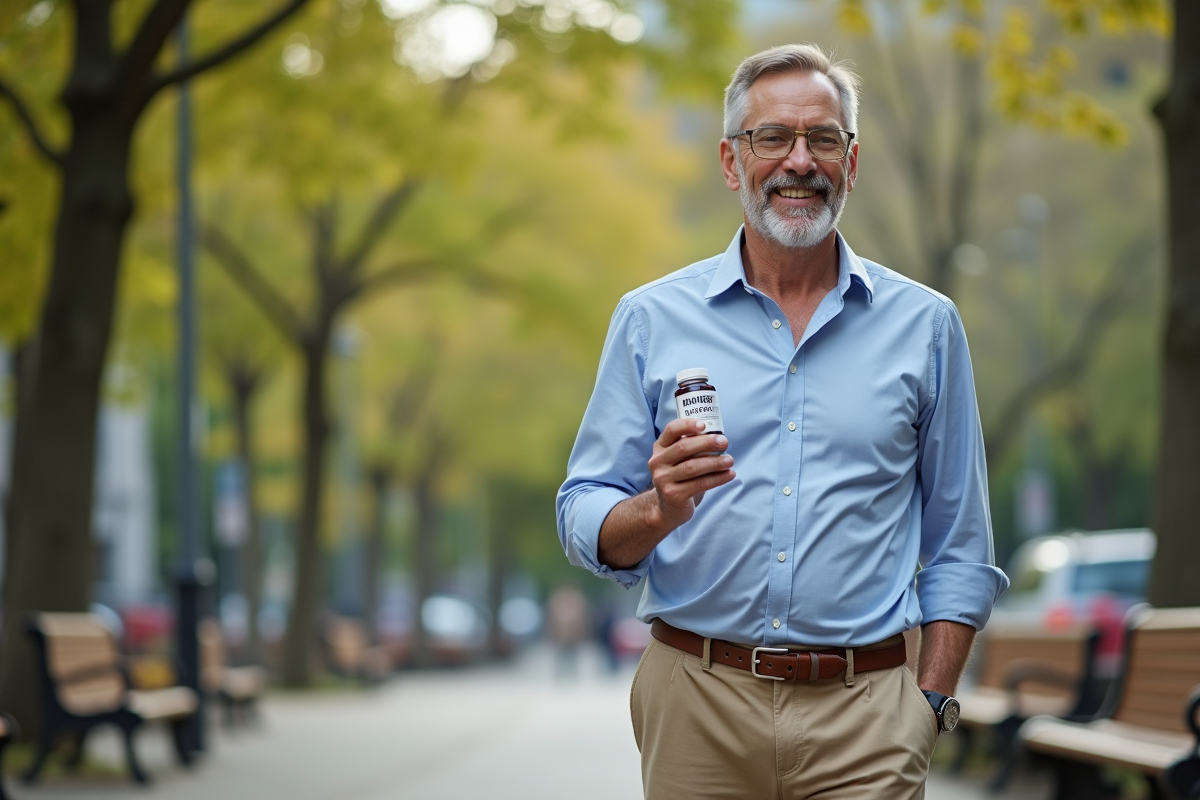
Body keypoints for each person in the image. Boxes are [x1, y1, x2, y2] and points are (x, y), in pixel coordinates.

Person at [556, 43, 1008, 799]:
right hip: (697, 701)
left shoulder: (926, 326)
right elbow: (582, 511)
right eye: (773, 138)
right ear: (733, 163)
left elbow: (961, 545)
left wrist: (926, 707)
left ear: (851, 164)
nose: (800, 160)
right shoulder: (650, 319)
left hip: (868, 718)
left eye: (822, 139)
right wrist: (657, 508)